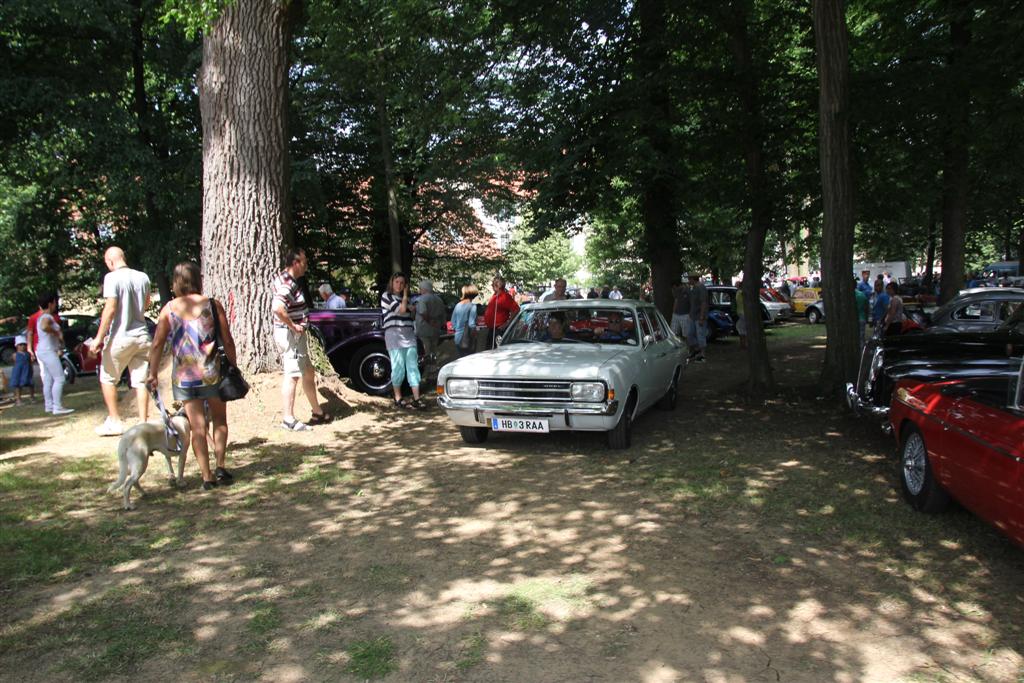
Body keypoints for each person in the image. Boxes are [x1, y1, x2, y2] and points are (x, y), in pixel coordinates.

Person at [146, 262, 235, 489]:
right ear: (198, 278)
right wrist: (233, 365)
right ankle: (221, 465)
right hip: (212, 372)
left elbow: (157, 344)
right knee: (220, 420)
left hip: (185, 377)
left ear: (176, 282)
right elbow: (227, 338)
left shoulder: (168, 310)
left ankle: (206, 476)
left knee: (197, 428)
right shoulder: (212, 305)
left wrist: (152, 372)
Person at [86, 246, 152, 436]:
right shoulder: (143, 277)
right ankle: (143, 422)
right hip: (142, 336)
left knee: (107, 378)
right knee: (140, 381)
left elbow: (110, 308)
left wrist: (99, 338)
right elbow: (146, 304)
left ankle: (115, 421)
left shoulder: (111, 278)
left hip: (120, 337)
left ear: (110, 261)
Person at [272, 247, 331, 431]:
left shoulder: (286, 279)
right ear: (296, 263)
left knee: (307, 371)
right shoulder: (287, 284)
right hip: (291, 336)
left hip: (296, 335)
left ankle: (317, 412)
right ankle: (288, 419)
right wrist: (292, 325)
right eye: (304, 261)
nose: (306, 265)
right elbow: (277, 307)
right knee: (293, 375)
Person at [381, 273, 426, 409]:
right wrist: (406, 298)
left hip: (409, 335)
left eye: (402, 283)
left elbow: (411, 315)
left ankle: (416, 398)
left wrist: (411, 307)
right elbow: (401, 310)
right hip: (394, 335)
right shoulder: (386, 296)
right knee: (398, 367)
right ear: (392, 282)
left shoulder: (407, 300)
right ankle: (398, 397)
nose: (399, 285)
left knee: (413, 366)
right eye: (397, 282)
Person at [34, 292, 73, 415]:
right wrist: (57, 334)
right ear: (50, 303)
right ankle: (57, 407)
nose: (56, 305)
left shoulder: (41, 316)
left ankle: (49, 406)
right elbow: (45, 327)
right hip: (48, 351)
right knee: (60, 378)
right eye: (55, 302)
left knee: (48, 379)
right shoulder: (47, 317)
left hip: (42, 350)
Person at [414, 279, 446, 364]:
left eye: (420, 289)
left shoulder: (421, 299)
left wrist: (429, 321)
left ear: (424, 289)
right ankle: (434, 367)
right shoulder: (439, 299)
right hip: (436, 328)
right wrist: (442, 324)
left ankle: (427, 370)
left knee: (425, 350)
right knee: (434, 348)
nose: (420, 291)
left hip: (423, 328)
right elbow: (443, 314)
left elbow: (423, 312)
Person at [483, 276, 519, 349]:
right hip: (492, 330)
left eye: (493, 284)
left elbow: (516, 310)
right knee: (489, 351)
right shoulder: (495, 296)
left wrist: (507, 323)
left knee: (497, 350)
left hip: (499, 330)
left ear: (498, 285)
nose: (492, 286)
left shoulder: (505, 296)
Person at [450, 285, 479, 358]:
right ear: (473, 295)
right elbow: (471, 324)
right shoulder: (472, 306)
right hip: (468, 338)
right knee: (470, 359)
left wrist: (458, 329)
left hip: (457, 338)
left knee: (461, 359)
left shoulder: (457, 305)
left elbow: (453, 322)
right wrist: (475, 334)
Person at [687, 273, 709, 362]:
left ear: (693, 279)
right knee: (690, 334)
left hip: (699, 316)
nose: (688, 281)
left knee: (700, 335)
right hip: (692, 316)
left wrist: (701, 317)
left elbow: (703, 302)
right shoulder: (693, 288)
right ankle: (696, 350)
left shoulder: (701, 287)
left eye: (689, 279)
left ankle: (703, 355)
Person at [10, 335, 34, 405]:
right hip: (18, 372)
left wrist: (31, 369)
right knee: (18, 386)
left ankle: (32, 397)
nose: (22, 346)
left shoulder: (28, 354)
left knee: (31, 384)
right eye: (20, 345)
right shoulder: (15, 355)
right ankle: (18, 399)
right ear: (17, 346)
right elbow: (14, 363)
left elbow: (30, 362)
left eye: (24, 344)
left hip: (27, 371)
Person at [854, 278, 870, 346]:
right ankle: (861, 353)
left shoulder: (846, 296)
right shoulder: (862, 295)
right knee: (861, 338)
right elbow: (867, 308)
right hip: (861, 318)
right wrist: (866, 318)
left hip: (851, 319)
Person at [735, 282, 747, 350]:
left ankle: (743, 344)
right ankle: (743, 344)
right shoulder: (739, 292)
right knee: (740, 327)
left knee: (741, 328)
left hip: (743, 313)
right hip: (741, 312)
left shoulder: (741, 292)